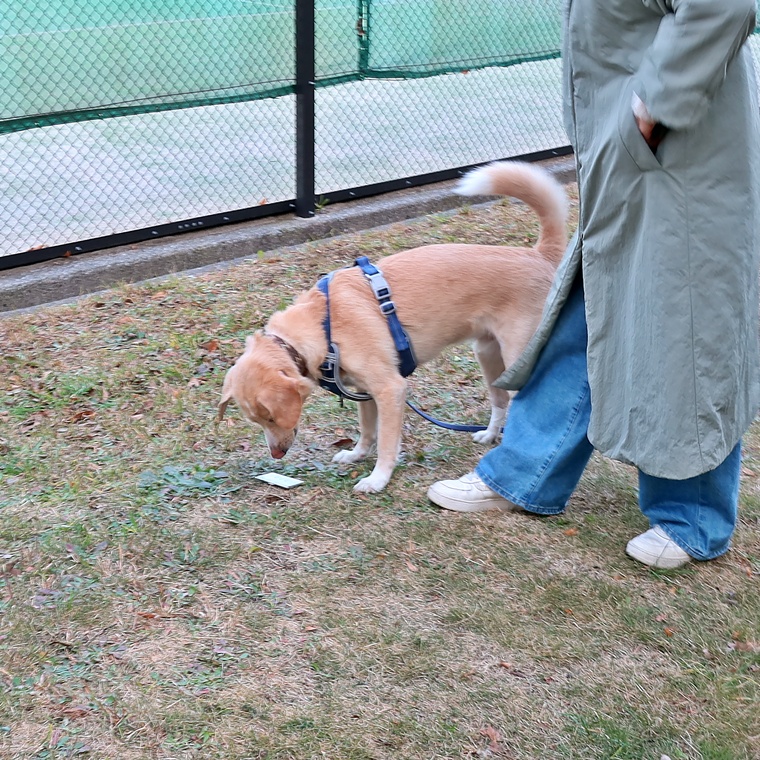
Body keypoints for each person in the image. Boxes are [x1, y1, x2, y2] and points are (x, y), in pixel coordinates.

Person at [427, 0, 760, 569]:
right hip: (632, 154)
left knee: (685, 324)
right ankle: (525, 472)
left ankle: (693, 517)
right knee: (590, 306)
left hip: (683, 153)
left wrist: (653, 107)